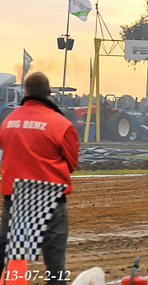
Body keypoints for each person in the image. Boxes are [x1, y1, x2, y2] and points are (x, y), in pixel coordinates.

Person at [0, 72, 79, 284]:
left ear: (24, 92)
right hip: (51, 200)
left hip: (15, 201)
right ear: (49, 93)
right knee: (55, 266)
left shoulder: (8, 121)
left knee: (11, 263)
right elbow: (72, 164)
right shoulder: (62, 124)